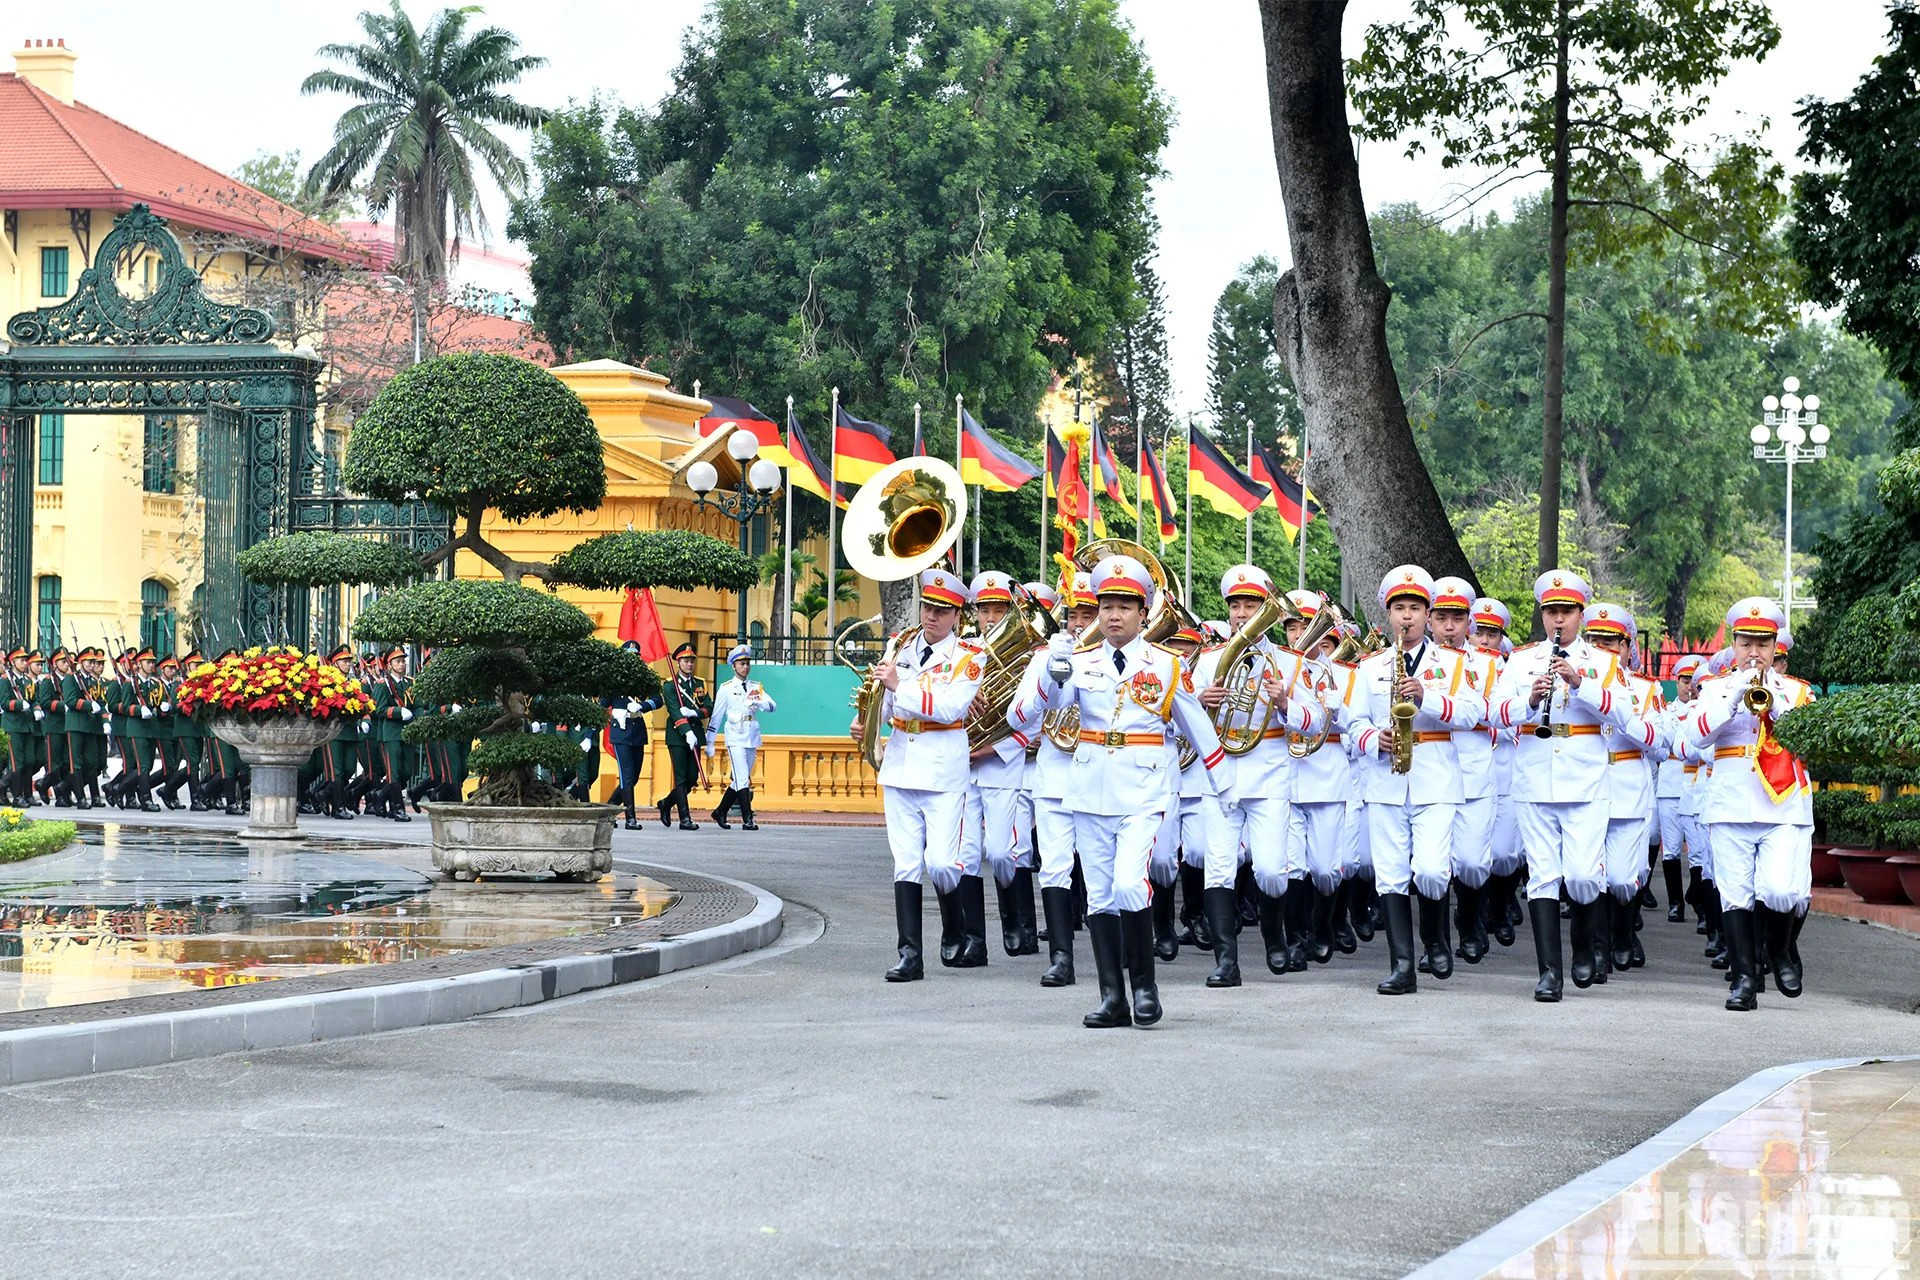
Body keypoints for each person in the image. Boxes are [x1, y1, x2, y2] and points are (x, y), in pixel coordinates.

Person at [1010, 554, 1225, 1028]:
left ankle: (1145, 987)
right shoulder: (1079, 661)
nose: (1113, 615)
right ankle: (1112, 996)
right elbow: (1030, 713)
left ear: (1143, 612)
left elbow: (1197, 726)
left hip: (1143, 789)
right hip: (1089, 787)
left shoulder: (1166, 665)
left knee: (1130, 882)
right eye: (1106, 605)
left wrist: (1223, 785)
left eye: (1124, 606)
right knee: (1101, 896)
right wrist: (1052, 671)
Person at [1488, 570, 1639, 1001]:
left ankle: (1584, 949)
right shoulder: (1521, 661)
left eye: (1567, 612)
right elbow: (1494, 712)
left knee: (1584, 876)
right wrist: (1529, 701)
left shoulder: (1603, 662)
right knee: (1543, 876)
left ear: (1580, 615)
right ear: (1542, 614)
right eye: (1551, 611)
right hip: (1535, 777)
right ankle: (1549, 973)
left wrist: (1579, 683)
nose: (1559, 620)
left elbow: (1625, 715)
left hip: (1585, 779)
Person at [1348, 566, 1485, 995]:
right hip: (1386, 778)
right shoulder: (1369, 666)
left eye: (1414, 608)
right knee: (1390, 874)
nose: (1406, 616)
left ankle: (1435, 940)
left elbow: (1472, 713)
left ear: (1428, 614)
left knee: (1430, 869)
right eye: (1399, 609)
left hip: (1436, 777)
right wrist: (1373, 738)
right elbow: (1353, 722)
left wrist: (1429, 697)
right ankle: (1402, 966)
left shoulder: (1454, 662)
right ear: (1388, 614)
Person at [1680, 597, 1817, 1011]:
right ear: (1734, 645)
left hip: (1782, 805)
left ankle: (1780, 951)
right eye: (1745, 643)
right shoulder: (1716, 689)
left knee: (1781, 890)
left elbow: (1809, 741)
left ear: (1775, 647)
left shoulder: (1797, 692)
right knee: (1735, 894)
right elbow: (1695, 738)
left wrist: (1776, 703)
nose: (1753, 652)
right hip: (1731, 803)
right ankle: (1743, 979)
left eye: (1762, 644)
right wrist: (1733, 698)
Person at [855, 567, 986, 982]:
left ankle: (954, 927)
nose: (931, 615)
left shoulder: (969, 657)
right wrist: (867, 721)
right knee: (907, 863)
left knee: (943, 863)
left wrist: (900, 686)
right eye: (928, 606)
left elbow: (949, 708)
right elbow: (886, 702)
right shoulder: (900, 646)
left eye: (942, 610)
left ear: (957, 616)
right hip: (900, 766)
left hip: (943, 768)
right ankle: (909, 955)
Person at [1192, 564, 1321, 976]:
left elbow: (1317, 720)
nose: (1243, 614)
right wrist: (1200, 702)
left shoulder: (1290, 662)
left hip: (1268, 773)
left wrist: (1286, 704)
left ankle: (1274, 937)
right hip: (1220, 774)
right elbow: (1179, 723)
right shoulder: (1208, 660)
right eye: (1236, 606)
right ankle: (1225, 962)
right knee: (1219, 866)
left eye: (1252, 605)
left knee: (1270, 869)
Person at [1007, 574, 1098, 987]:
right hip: (1055, 776)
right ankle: (1062, 958)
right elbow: (1016, 716)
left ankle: (1115, 951)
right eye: (1072, 615)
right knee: (1055, 868)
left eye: (1088, 614)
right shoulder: (1043, 657)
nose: (1078, 624)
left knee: (1102, 873)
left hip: (1101, 779)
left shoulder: (1114, 660)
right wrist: (1049, 676)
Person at [1581, 603, 1667, 976]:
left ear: (1627, 647)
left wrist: (1622, 715)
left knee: (1622, 877)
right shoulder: (1573, 684)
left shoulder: (1645, 689)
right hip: (1585, 786)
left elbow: (1661, 745)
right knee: (1591, 873)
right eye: (1594, 640)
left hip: (1628, 786)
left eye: (1611, 642)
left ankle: (1623, 933)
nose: (1602, 648)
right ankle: (1598, 950)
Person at [1279, 590, 1358, 965]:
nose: (1298, 636)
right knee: (1291, 866)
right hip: (1285, 773)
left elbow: (1355, 723)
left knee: (1326, 869)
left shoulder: (1345, 675)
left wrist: (1335, 710)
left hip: (1326, 774)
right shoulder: (1277, 667)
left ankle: (1323, 926)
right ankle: (1295, 940)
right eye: (1292, 628)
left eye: (1305, 627)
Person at [962, 572, 1038, 954]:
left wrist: (991, 750)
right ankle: (974, 940)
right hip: (961, 768)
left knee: (1001, 851)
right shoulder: (961, 653)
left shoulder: (1027, 658)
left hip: (1001, 767)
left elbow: (1034, 722)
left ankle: (1017, 923)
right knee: (965, 854)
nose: (991, 618)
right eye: (985, 610)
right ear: (975, 613)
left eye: (999, 610)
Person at [1428, 576, 1501, 965]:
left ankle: (1470, 921)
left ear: (1469, 622)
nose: (1449, 627)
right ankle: (1436, 942)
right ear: (1430, 620)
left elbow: (1499, 711)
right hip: (1431, 774)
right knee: (1434, 863)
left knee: (1472, 862)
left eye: (1457, 619)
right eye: (1442, 618)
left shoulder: (1488, 665)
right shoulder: (1414, 661)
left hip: (1473, 771)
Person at [1468, 598, 1523, 947]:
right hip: (1467, 770)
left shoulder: (1510, 670)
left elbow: (1517, 719)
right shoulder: (1458, 665)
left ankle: (1500, 907)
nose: (1485, 640)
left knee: (1504, 852)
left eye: (1493, 634)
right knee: (1470, 854)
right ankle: (1472, 919)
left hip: (1503, 769)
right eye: (1479, 633)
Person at [707, 643, 776, 830]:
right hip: (735, 737)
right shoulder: (726, 688)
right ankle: (748, 818)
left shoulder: (755, 687)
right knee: (743, 778)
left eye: (747, 663)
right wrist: (710, 741)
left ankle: (720, 811)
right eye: (741, 664)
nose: (745, 667)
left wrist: (760, 703)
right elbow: (716, 716)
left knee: (739, 780)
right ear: (734, 666)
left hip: (751, 736)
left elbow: (772, 706)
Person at [605, 641, 662, 830]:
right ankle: (630, 818)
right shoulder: (613, 681)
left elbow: (658, 699)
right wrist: (589, 735)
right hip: (620, 732)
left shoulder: (643, 679)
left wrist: (642, 706)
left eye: (635, 657)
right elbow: (601, 706)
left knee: (634, 777)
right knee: (627, 776)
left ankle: (609, 809)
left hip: (637, 731)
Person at [658, 641, 711, 830]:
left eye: (691, 661)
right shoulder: (669, 686)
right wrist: (686, 731)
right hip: (678, 736)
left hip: (696, 734)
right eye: (686, 661)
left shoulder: (699, 684)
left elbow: (708, 708)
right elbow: (674, 711)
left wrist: (694, 713)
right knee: (680, 778)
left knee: (691, 779)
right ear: (678, 662)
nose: (689, 664)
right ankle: (685, 818)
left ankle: (666, 803)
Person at [370, 647, 415, 822]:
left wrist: (417, 718)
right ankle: (397, 809)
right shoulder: (383, 685)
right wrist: (398, 712)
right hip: (390, 734)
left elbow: (417, 705)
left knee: (408, 770)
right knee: (394, 772)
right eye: (398, 661)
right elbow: (379, 710)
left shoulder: (410, 683)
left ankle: (381, 794)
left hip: (407, 732)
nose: (402, 664)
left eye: (403, 661)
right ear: (389, 665)